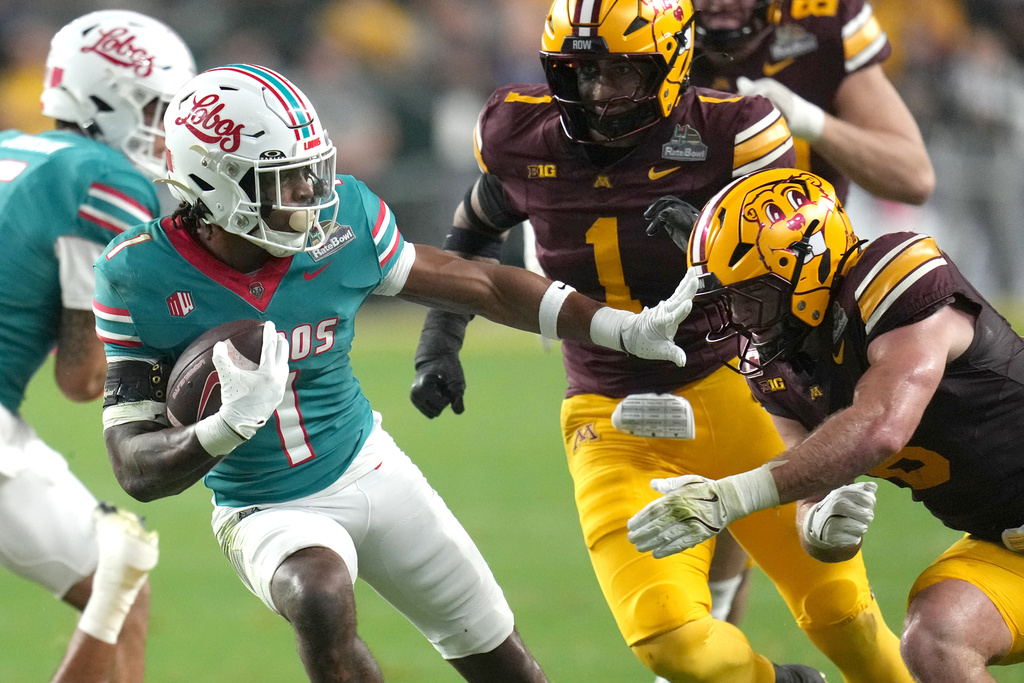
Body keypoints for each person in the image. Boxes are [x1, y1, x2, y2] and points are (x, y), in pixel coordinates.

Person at [93, 63, 698, 683]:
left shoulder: (344, 221)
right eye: (282, 179)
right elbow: (135, 468)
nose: (309, 192)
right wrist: (227, 426)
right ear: (214, 184)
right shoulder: (138, 274)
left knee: (506, 665)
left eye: (309, 170)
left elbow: (484, 284)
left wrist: (620, 328)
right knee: (319, 593)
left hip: (367, 464)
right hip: (260, 505)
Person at [409, 1, 913, 681]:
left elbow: (795, 274)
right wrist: (440, 339)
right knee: (670, 642)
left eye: (621, 71)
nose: (599, 91)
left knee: (844, 616)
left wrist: (714, 236)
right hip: (608, 412)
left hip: (742, 389)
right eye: (581, 71)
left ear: (673, 63)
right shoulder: (524, 136)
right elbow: (474, 231)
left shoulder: (731, 132)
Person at [628, 167, 1024, 682]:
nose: (741, 317)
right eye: (730, 299)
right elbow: (807, 486)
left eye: (752, 295)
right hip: (1004, 541)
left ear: (808, 265)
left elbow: (882, 425)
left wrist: (729, 496)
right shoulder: (776, 366)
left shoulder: (896, 274)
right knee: (936, 638)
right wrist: (824, 531)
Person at [0, 10, 194, 682]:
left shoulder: (12, 147)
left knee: (117, 579)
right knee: (120, 584)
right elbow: (83, 378)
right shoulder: (104, 179)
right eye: (156, 107)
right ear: (107, 97)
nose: (166, 127)